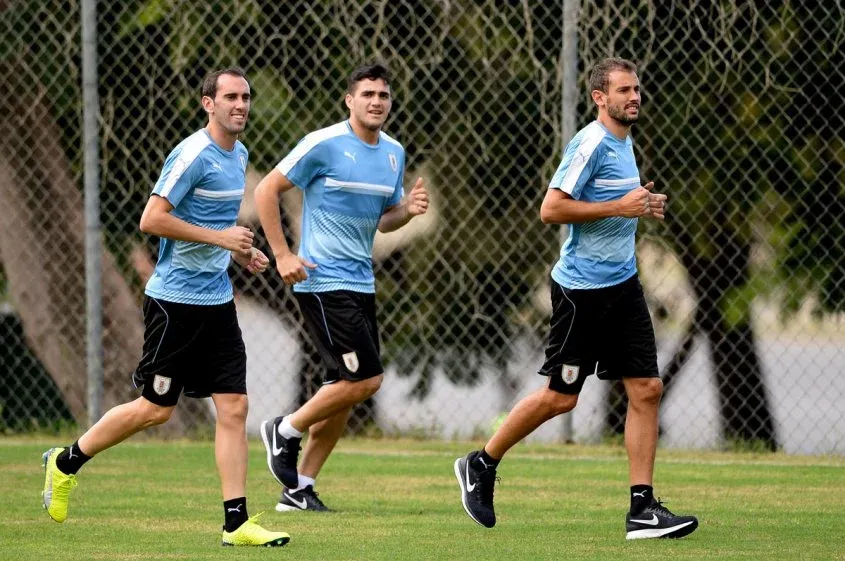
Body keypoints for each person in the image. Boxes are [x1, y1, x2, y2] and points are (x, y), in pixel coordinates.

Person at [41, 67, 290, 547]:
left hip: (217, 300)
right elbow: (151, 219)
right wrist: (222, 238)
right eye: (231, 97)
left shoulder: (239, 155)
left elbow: (216, 228)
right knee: (155, 410)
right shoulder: (193, 154)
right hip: (174, 303)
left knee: (234, 406)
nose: (241, 105)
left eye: (246, 97)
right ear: (208, 104)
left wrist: (240, 252)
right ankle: (65, 462)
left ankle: (236, 524)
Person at [454, 57, 698, 540]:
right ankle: (480, 463)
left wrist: (641, 205)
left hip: (624, 286)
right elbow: (552, 209)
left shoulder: (626, 143)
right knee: (561, 398)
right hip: (581, 292)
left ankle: (642, 509)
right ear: (599, 98)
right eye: (623, 90)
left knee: (647, 389)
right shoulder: (590, 143)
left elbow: (615, 205)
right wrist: (620, 205)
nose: (634, 97)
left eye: (637, 89)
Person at [254, 62, 429, 512]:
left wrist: (407, 210)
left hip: (361, 282)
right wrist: (283, 255)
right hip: (322, 280)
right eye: (367, 94)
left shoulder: (393, 153)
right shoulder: (324, 143)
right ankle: (283, 430)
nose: (376, 101)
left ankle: (299, 489)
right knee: (365, 378)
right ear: (350, 100)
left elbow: (384, 221)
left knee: (344, 389)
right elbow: (266, 190)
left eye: (383, 95)